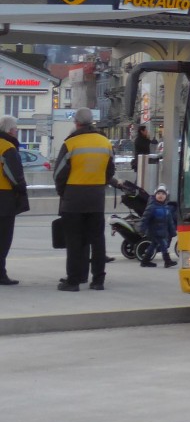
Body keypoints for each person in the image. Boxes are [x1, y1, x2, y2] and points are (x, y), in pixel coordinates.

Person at [53, 107, 114, 291]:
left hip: (73, 198)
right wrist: (99, 185)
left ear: (76, 123)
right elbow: (110, 170)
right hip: (96, 198)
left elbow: (58, 174)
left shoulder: (71, 143)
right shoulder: (105, 142)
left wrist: (63, 192)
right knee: (97, 240)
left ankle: (74, 280)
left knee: (74, 240)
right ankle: (98, 280)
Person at [0, 114, 29, 286]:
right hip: (4, 197)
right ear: (11, 131)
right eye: (16, 130)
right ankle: (1, 274)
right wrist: (21, 189)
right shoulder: (7, 147)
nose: (17, 133)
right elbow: (13, 174)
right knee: (3, 238)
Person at [139, 184, 177, 268]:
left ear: (166, 196)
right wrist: (141, 230)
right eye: (158, 193)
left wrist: (173, 231)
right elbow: (145, 218)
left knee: (153, 245)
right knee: (164, 245)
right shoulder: (152, 207)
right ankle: (167, 261)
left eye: (163, 194)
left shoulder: (166, 208)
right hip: (155, 231)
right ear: (155, 195)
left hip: (162, 231)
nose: (160, 195)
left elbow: (170, 222)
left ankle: (145, 261)